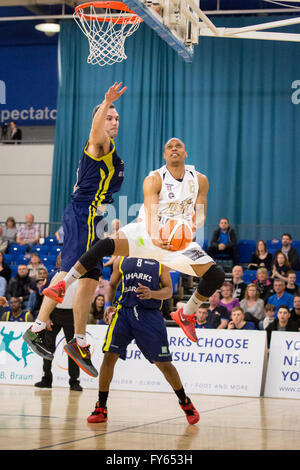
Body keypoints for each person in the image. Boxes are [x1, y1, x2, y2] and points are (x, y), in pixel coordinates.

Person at [36, 137, 225, 376]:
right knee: (104, 244)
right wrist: (157, 236)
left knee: (215, 275)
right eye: (169, 147)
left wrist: (190, 228)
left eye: (178, 146)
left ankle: (185, 314)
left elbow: (200, 213)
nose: (174, 149)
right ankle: (64, 283)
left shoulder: (200, 180)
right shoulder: (155, 178)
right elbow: (151, 209)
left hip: (178, 240)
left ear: (186, 153)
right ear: (164, 155)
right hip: (147, 233)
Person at [23, 82, 127, 376]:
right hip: (82, 215)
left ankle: (79, 341)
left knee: (90, 278)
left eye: (117, 118)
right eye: (109, 117)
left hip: (95, 217)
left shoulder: (112, 153)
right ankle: (39, 325)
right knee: (69, 270)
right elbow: (95, 132)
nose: (114, 121)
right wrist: (105, 102)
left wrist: (109, 219)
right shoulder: (98, 144)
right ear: (99, 119)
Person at [86, 256, 199, 425]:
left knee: (164, 364)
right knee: (109, 356)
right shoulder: (122, 258)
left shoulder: (159, 261)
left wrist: (152, 293)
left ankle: (184, 401)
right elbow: (113, 284)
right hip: (123, 312)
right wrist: (109, 303)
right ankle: (101, 407)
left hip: (149, 315)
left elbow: (168, 290)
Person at [34, 280, 82, 392]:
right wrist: (46, 316)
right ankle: (46, 379)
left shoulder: (80, 276)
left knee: (73, 348)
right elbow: (46, 295)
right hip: (54, 311)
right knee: (48, 347)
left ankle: (74, 382)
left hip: (72, 313)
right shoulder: (54, 275)